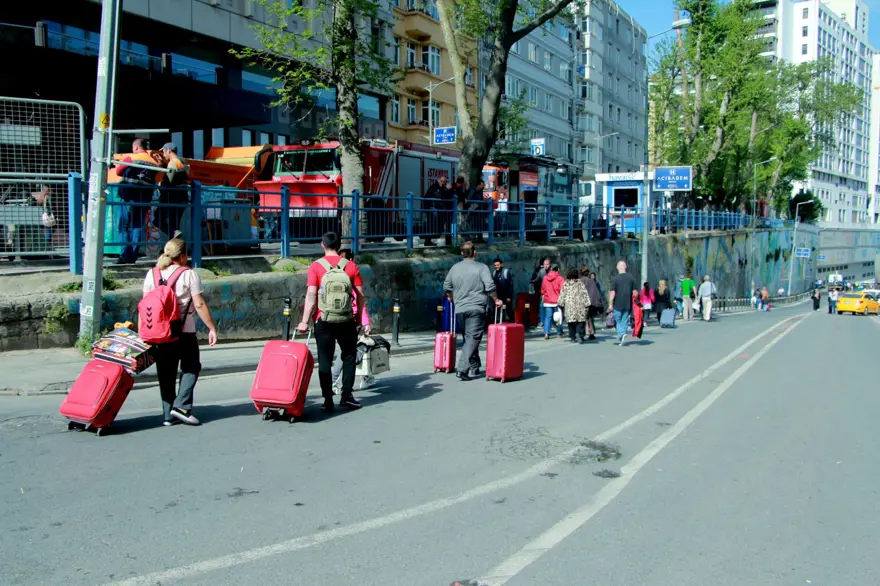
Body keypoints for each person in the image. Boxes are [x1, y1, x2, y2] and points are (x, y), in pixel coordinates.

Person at [142, 239, 218, 426]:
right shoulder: (189, 275)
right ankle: (182, 406)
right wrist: (211, 328)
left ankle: (168, 415)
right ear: (183, 256)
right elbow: (199, 304)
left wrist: (142, 332)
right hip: (184, 331)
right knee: (191, 366)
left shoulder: (151, 274)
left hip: (158, 332)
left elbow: (144, 306)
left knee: (165, 372)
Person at [297, 232, 366, 412]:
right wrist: (358, 319)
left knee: (325, 361)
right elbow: (360, 296)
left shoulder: (316, 267)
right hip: (346, 319)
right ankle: (347, 396)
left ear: (322, 245)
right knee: (349, 356)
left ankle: (328, 400)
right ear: (339, 246)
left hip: (324, 320)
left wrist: (305, 321)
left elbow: (311, 295)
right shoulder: (351, 266)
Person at [442, 241, 502, 381]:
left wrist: (451, 298)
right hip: (476, 307)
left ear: (462, 253)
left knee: (468, 338)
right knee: (473, 338)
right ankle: (462, 369)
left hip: (460, 309)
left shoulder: (454, 268)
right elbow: (490, 286)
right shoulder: (481, 268)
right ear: (475, 252)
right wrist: (496, 300)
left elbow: (446, 286)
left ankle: (474, 366)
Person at [331, 249, 374, 391]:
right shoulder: (351, 272)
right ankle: (356, 378)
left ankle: (361, 377)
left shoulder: (331, 272)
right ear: (350, 259)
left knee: (346, 350)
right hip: (351, 318)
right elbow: (360, 300)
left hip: (332, 317)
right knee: (349, 351)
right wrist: (365, 321)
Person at [115, 139, 160, 264]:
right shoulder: (154, 162)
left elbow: (118, 171)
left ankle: (124, 255)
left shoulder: (131, 158)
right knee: (137, 226)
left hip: (128, 196)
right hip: (144, 198)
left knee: (123, 225)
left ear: (135, 147)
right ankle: (134, 255)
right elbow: (158, 178)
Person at [157, 143, 190, 240]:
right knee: (175, 224)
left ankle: (174, 237)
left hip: (171, 198)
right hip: (182, 196)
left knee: (158, 219)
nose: (163, 154)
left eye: (163, 151)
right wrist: (163, 164)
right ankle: (175, 249)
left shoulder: (172, 162)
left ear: (168, 150)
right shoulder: (182, 161)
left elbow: (169, 180)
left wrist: (160, 185)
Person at [609, 260, 638, 346]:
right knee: (624, 320)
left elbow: (612, 293)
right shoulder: (631, 278)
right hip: (627, 303)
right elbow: (635, 292)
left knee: (618, 320)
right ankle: (622, 335)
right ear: (625, 267)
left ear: (617, 268)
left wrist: (610, 303)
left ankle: (622, 334)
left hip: (617, 303)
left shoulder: (615, 279)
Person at [558, 269, 590, 343]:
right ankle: (579, 333)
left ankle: (572, 337)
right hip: (580, 305)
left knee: (571, 322)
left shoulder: (566, 283)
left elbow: (562, 294)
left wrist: (560, 303)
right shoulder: (580, 283)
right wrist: (587, 303)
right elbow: (585, 293)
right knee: (580, 321)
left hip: (569, 306)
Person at [423, 176, 449, 245]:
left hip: (435, 208)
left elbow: (445, 196)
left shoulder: (441, 187)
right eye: (442, 181)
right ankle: (427, 241)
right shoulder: (434, 187)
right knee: (430, 224)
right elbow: (438, 195)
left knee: (433, 225)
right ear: (439, 180)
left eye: (444, 182)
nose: (443, 183)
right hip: (431, 208)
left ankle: (428, 240)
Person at [541, 264, 564, 339]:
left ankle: (546, 333)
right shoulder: (560, 278)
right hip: (557, 301)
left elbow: (543, 289)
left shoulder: (545, 278)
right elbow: (562, 290)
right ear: (558, 269)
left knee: (548, 318)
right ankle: (559, 333)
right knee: (558, 317)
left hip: (547, 301)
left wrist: (544, 295)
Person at [580, 267, 602, 341]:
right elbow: (595, 293)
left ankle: (582, 333)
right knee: (590, 318)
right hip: (590, 303)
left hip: (581, 302)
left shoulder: (579, 281)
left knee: (582, 319)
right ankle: (591, 333)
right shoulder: (591, 281)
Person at [491, 257, 514, 322]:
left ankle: (511, 324)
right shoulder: (494, 273)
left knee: (508, 311)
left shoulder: (506, 272)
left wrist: (509, 296)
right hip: (498, 296)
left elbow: (510, 285)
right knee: (497, 311)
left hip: (506, 297)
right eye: (495, 265)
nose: (496, 267)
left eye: (498, 265)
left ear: (501, 264)